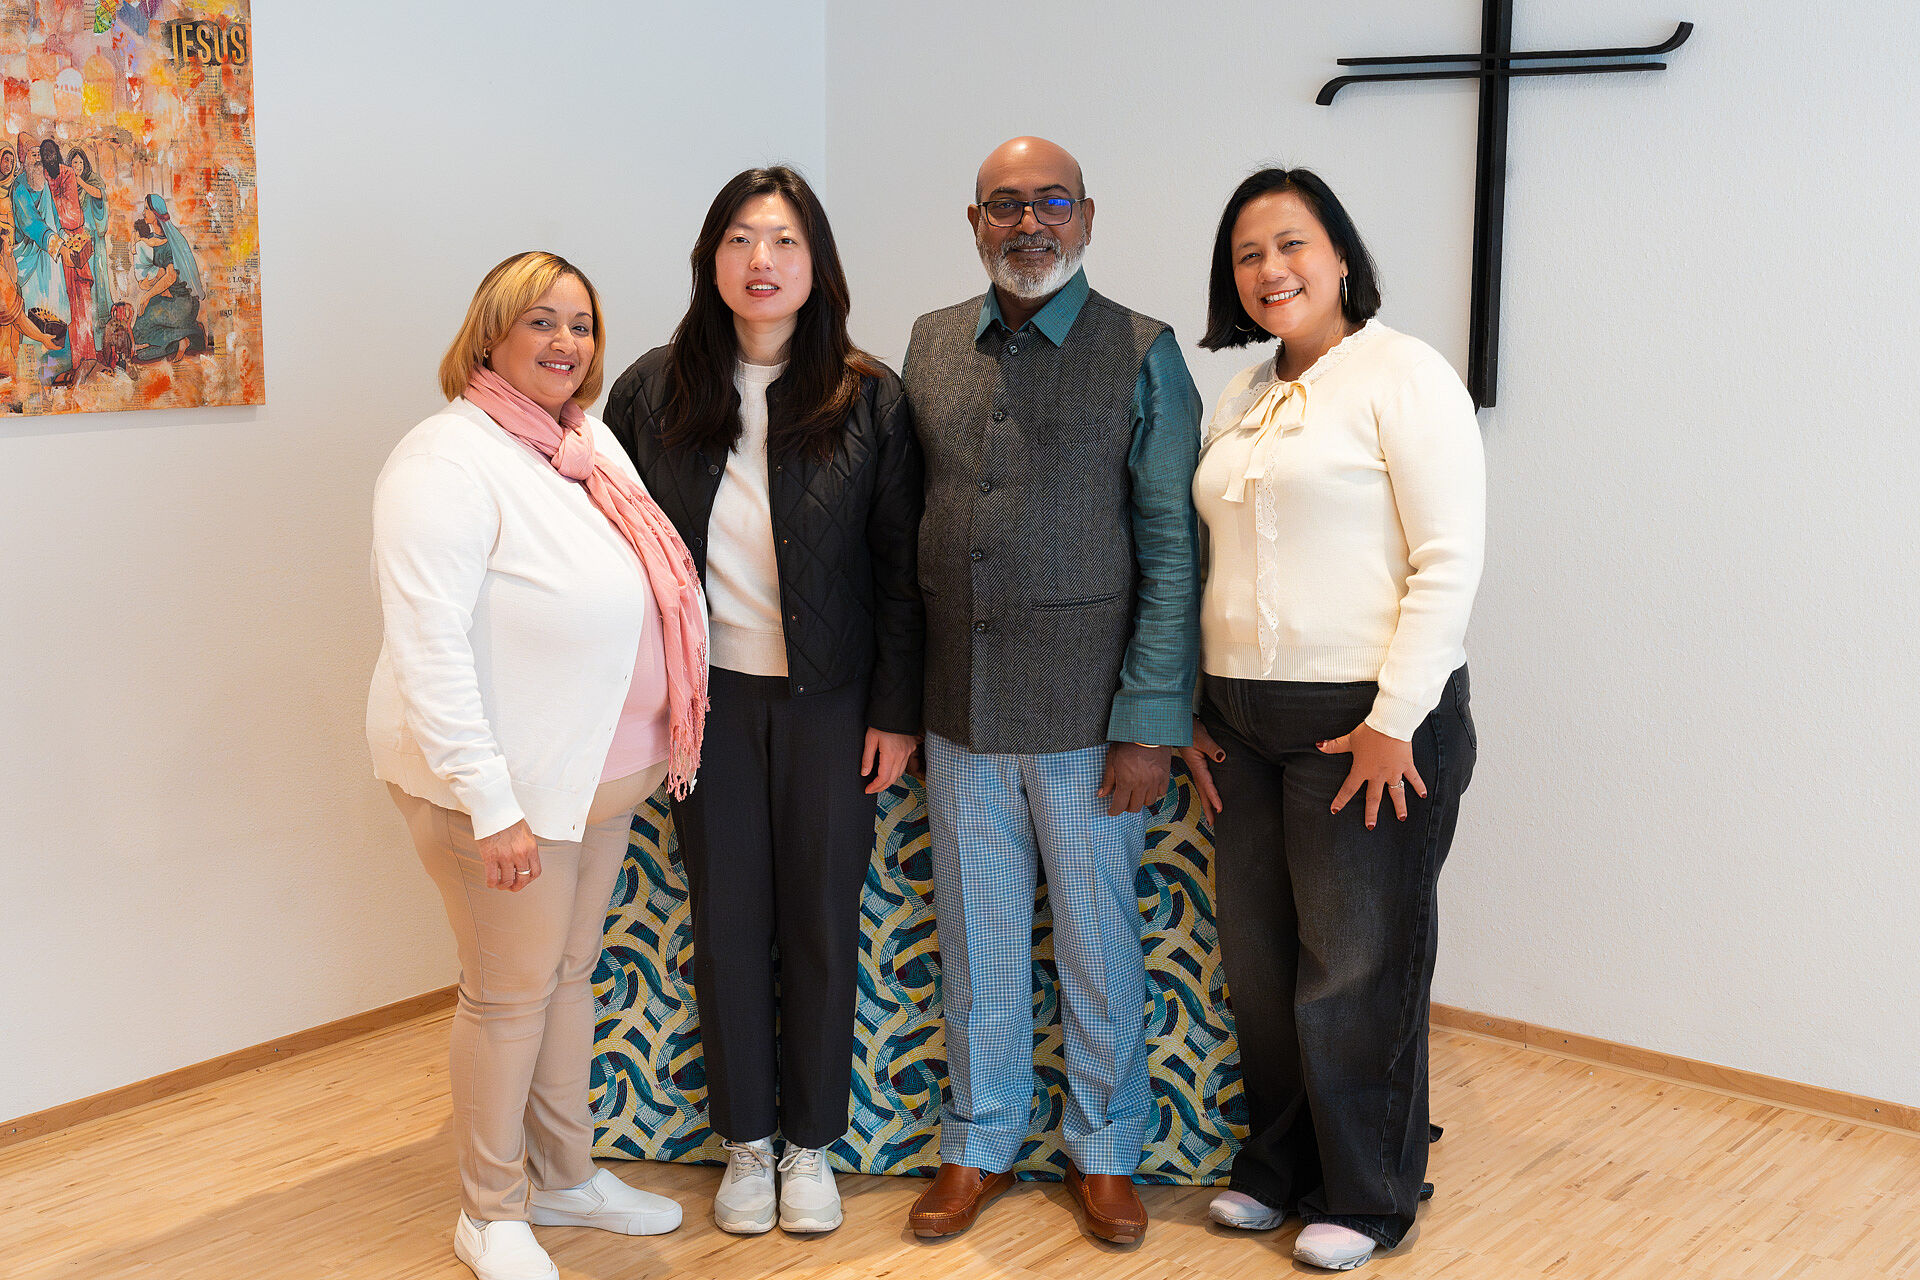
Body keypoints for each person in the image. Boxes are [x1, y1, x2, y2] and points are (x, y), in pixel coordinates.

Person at [368, 251, 704, 1280]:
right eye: (541, 322)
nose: (566, 343)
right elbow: (432, 647)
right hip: (503, 793)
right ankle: (491, 1206)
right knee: (508, 993)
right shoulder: (444, 461)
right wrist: (493, 803)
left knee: (566, 979)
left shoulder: (584, 442)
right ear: (489, 337)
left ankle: (565, 1172)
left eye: (582, 324)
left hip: (593, 781)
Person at [605, 165, 924, 1237]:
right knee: (728, 917)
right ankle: (746, 1142)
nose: (761, 261)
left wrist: (894, 709)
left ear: (816, 264)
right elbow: (609, 550)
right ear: (711, 261)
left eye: (783, 240)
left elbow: (898, 568)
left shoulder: (868, 396)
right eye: (741, 239)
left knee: (824, 921)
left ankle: (811, 1146)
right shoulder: (653, 391)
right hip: (708, 704)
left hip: (831, 702)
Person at [1177, 168, 1483, 1272]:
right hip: (1244, 727)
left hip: (1369, 725)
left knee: (1356, 963)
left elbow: (1449, 560)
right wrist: (1195, 709)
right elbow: (1210, 559)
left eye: (1292, 244)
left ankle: (1372, 1189)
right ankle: (1281, 1166)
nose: (1272, 270)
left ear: (1339, 253)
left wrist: (1397, 717)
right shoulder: (1243, 395)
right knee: (1261, 964)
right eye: (1249, 254)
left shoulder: (1404, 374)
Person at [900, 136, 1201, 1246]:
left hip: (1092, 722)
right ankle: (976, 1141)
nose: (1030, 225)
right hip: (959, 709)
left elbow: (1172, 546)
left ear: (1088, 216)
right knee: (975, 945)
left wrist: (1150, 723)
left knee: (1095, 942)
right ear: (973, 220)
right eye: (1006, 206)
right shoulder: (932, 343)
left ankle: (1108, 1149)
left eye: (1053, 203)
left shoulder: (1145, 349)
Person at [128, 198, 208, 363]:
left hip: (181, 304)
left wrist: (147, 295)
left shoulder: (169, 243)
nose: (144, 213)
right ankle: (184, 337)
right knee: (138, 333)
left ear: (156, 215)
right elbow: (155, 272)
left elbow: (171, 276)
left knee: (141, 346)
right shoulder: (150, 239)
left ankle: (189, 337)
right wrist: (147, 285)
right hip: (167, 299)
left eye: (147, 209)